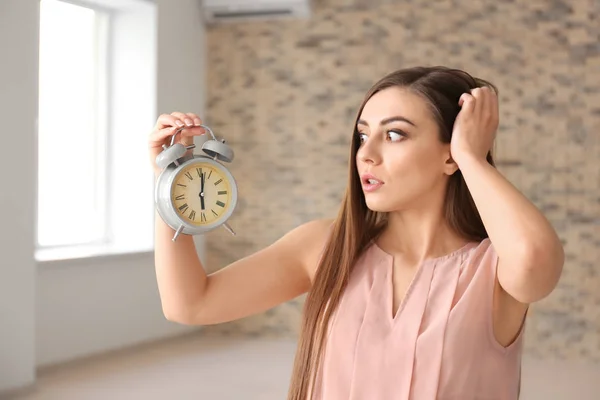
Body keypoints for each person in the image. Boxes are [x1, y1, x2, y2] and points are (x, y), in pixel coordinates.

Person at [148, 66, 564, 400]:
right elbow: (190, 304)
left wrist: (473, 158)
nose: (366, 153)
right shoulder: (324, 246)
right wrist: (171, 181)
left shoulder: (492, 270)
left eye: (395, 134)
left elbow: (535, 261)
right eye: (363, 134)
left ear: (449, 154)